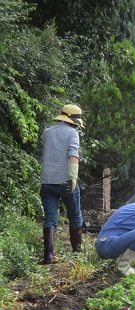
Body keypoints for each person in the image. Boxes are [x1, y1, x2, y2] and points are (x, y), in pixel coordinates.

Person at [40, 104, 84, 264]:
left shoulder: (47, 132)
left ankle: (48, 256)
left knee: (50, 218)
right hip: (65, 181)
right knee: (74, 215)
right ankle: (77, 253)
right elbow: (73, 155)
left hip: (47, 181)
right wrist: (73, 178)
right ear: (73, 120)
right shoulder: (73, 133)